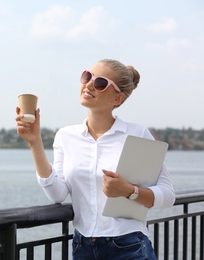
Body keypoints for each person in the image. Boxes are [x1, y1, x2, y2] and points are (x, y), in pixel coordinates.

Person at [15, 59, 175, 259]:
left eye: (100, 83)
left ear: (117, 99)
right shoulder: (66, 136)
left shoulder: (137, 134)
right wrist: (35, 142)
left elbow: (168, 195)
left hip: (129, 246)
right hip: (83, 247)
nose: (89, 84)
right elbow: (57, 194)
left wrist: (128, 191)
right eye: (87, 76)